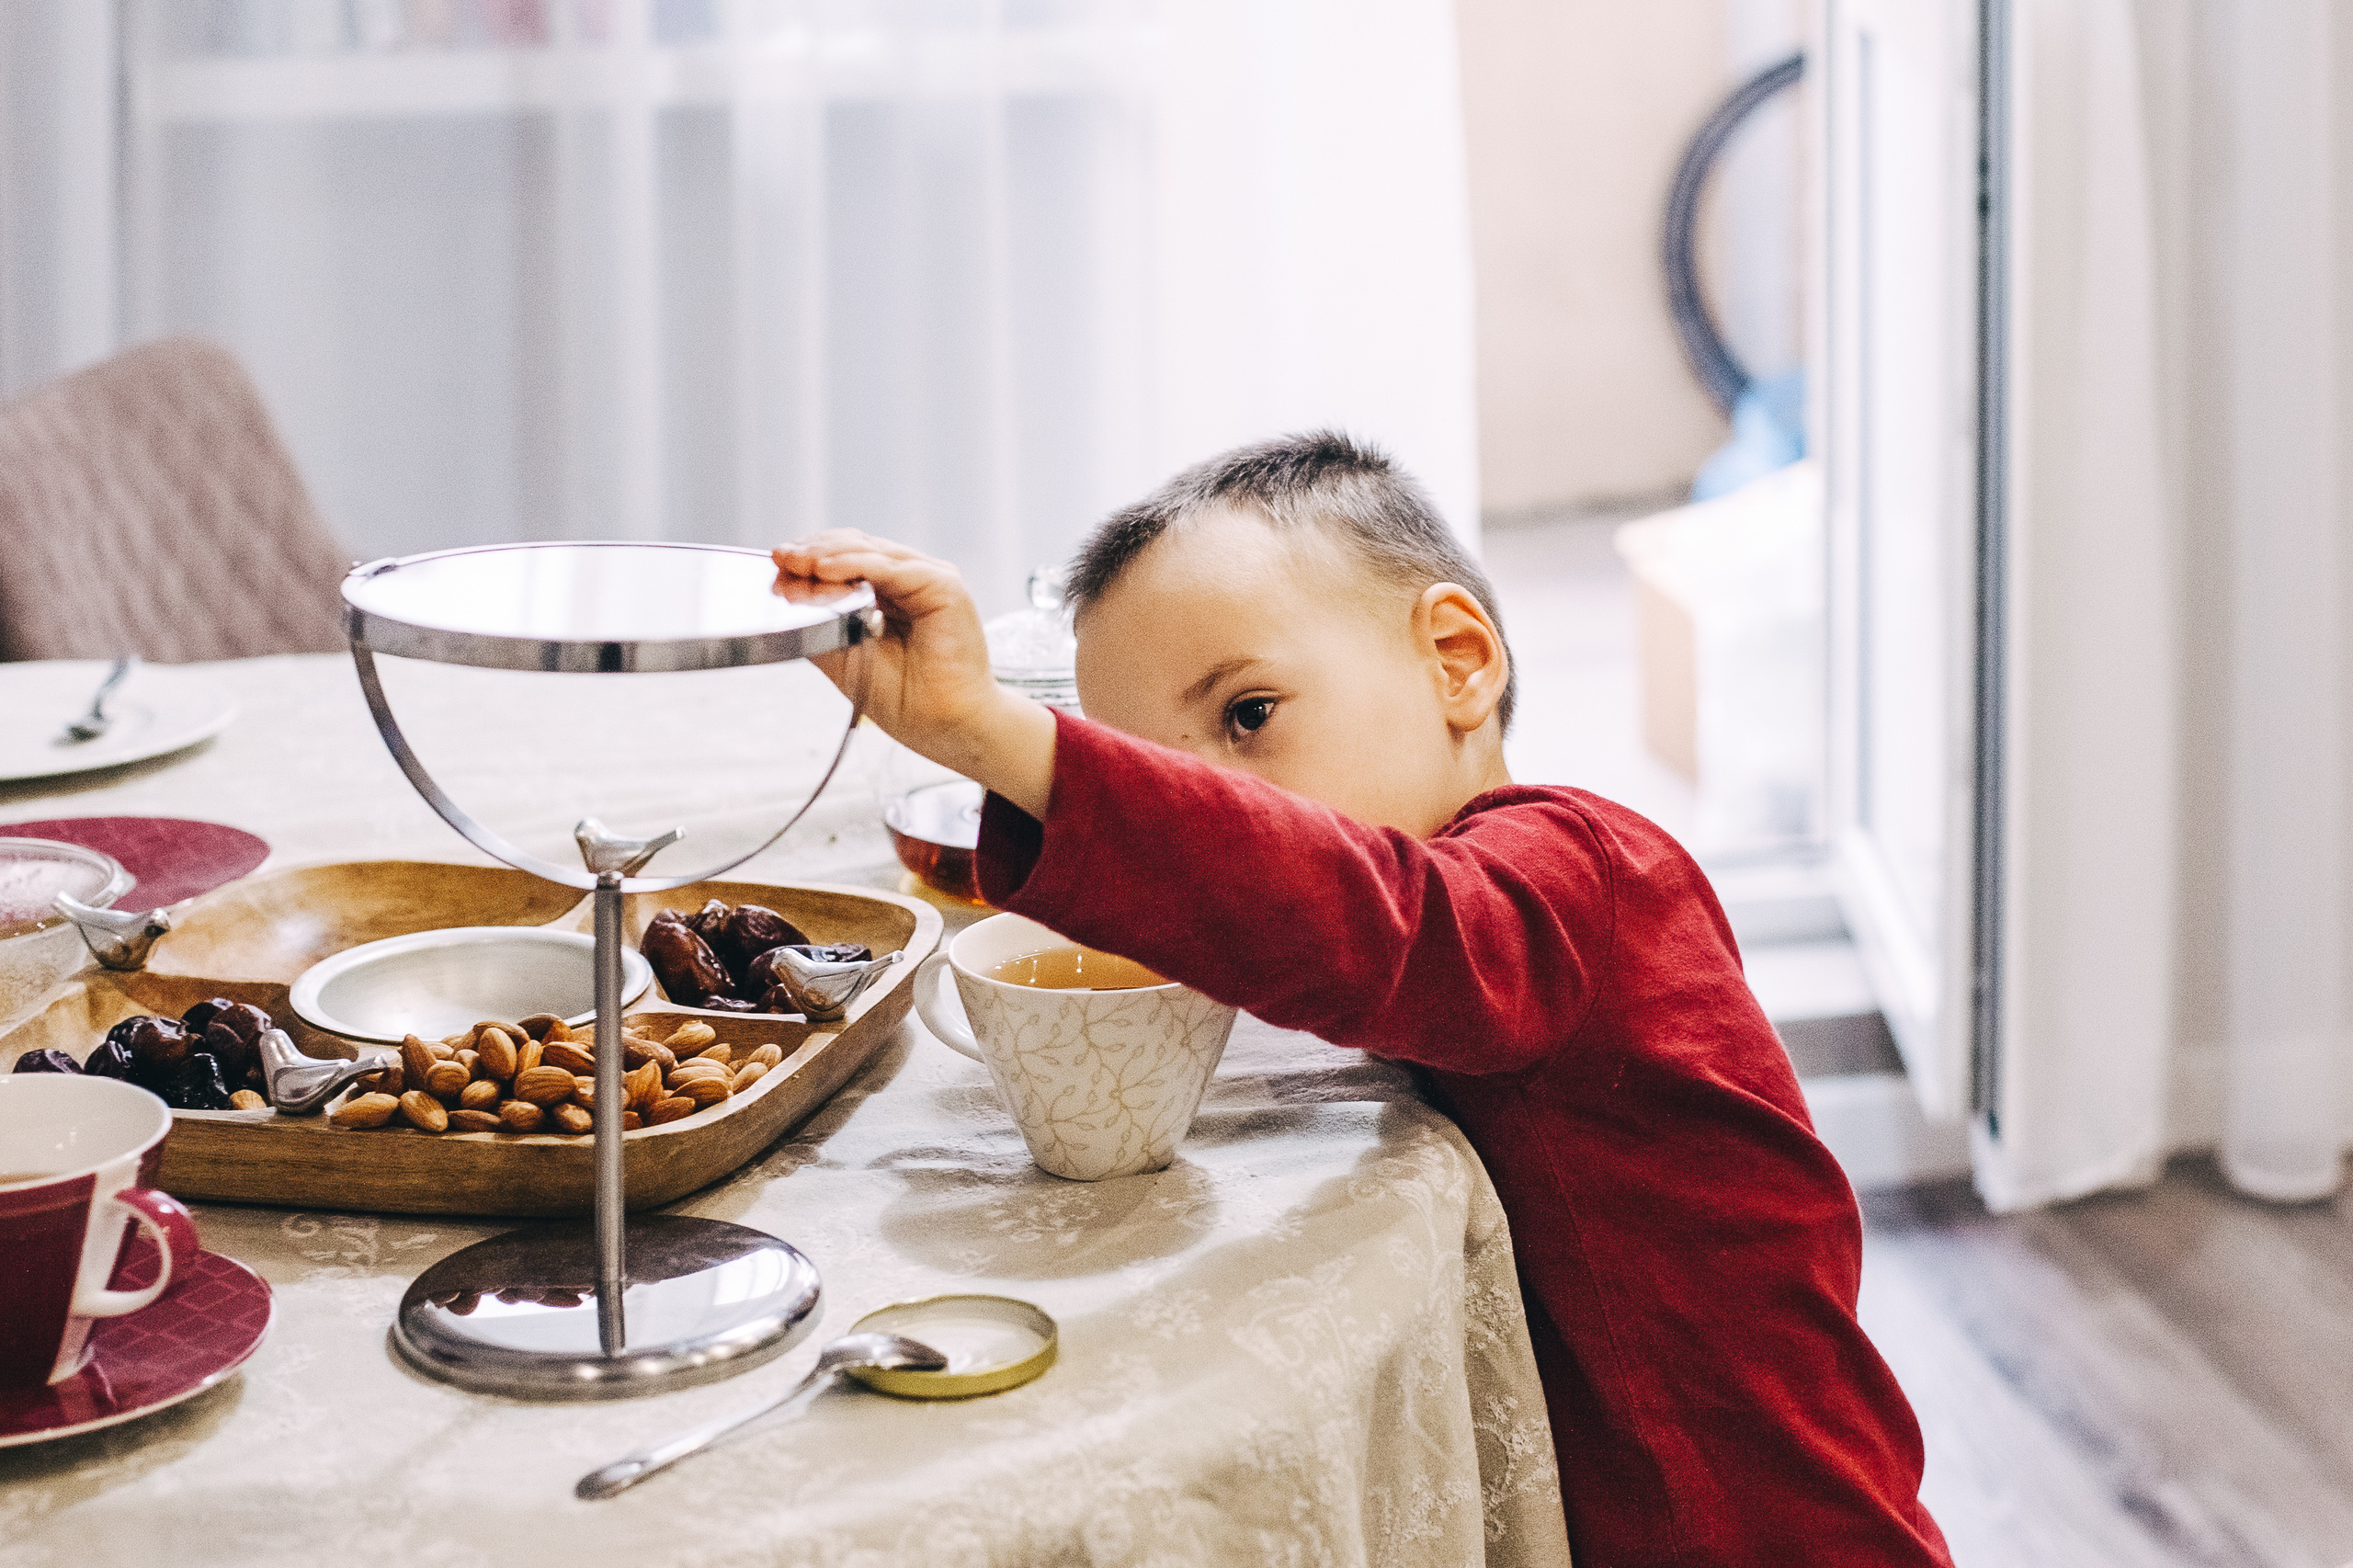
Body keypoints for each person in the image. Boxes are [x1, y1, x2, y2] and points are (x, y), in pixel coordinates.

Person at [775, 431, 1952, 1568]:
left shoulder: (1570, 874)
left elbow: (1366, 922)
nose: (1222, 805)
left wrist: (986, 730)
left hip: (1756, 1523)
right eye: (1168, 775)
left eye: (1248, 715)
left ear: (1456, 659)